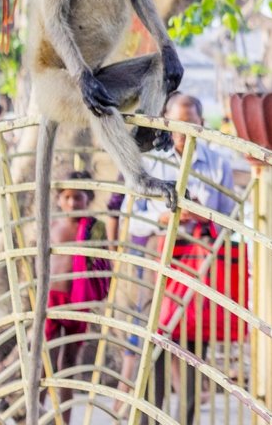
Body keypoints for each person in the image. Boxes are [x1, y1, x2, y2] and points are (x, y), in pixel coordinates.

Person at [116, 91, 238, 424]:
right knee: (152, 342)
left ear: (200, 121)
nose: (184, 127)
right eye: (177, 120)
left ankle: (185, 419)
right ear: (166, 123)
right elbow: (131, 216)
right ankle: (148, 419)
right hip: (158, 257)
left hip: (197, 260)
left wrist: (200, 218)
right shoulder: (152, 162)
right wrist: (161, 219)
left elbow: (231, 220)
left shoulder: (217, 163)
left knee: (193, 347)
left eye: (191, 120)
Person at [42, 170, 111, 417]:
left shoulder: (94, 228)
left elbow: (104, 263)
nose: (73, 203)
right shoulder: (50, 226)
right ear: (59, 199)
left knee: (69, 361)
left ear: (88, 198)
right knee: (45, 358)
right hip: (51, 300)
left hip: (78, 303)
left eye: (78, 197)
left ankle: (65, 417)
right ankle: (36, 411)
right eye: (67, 197)